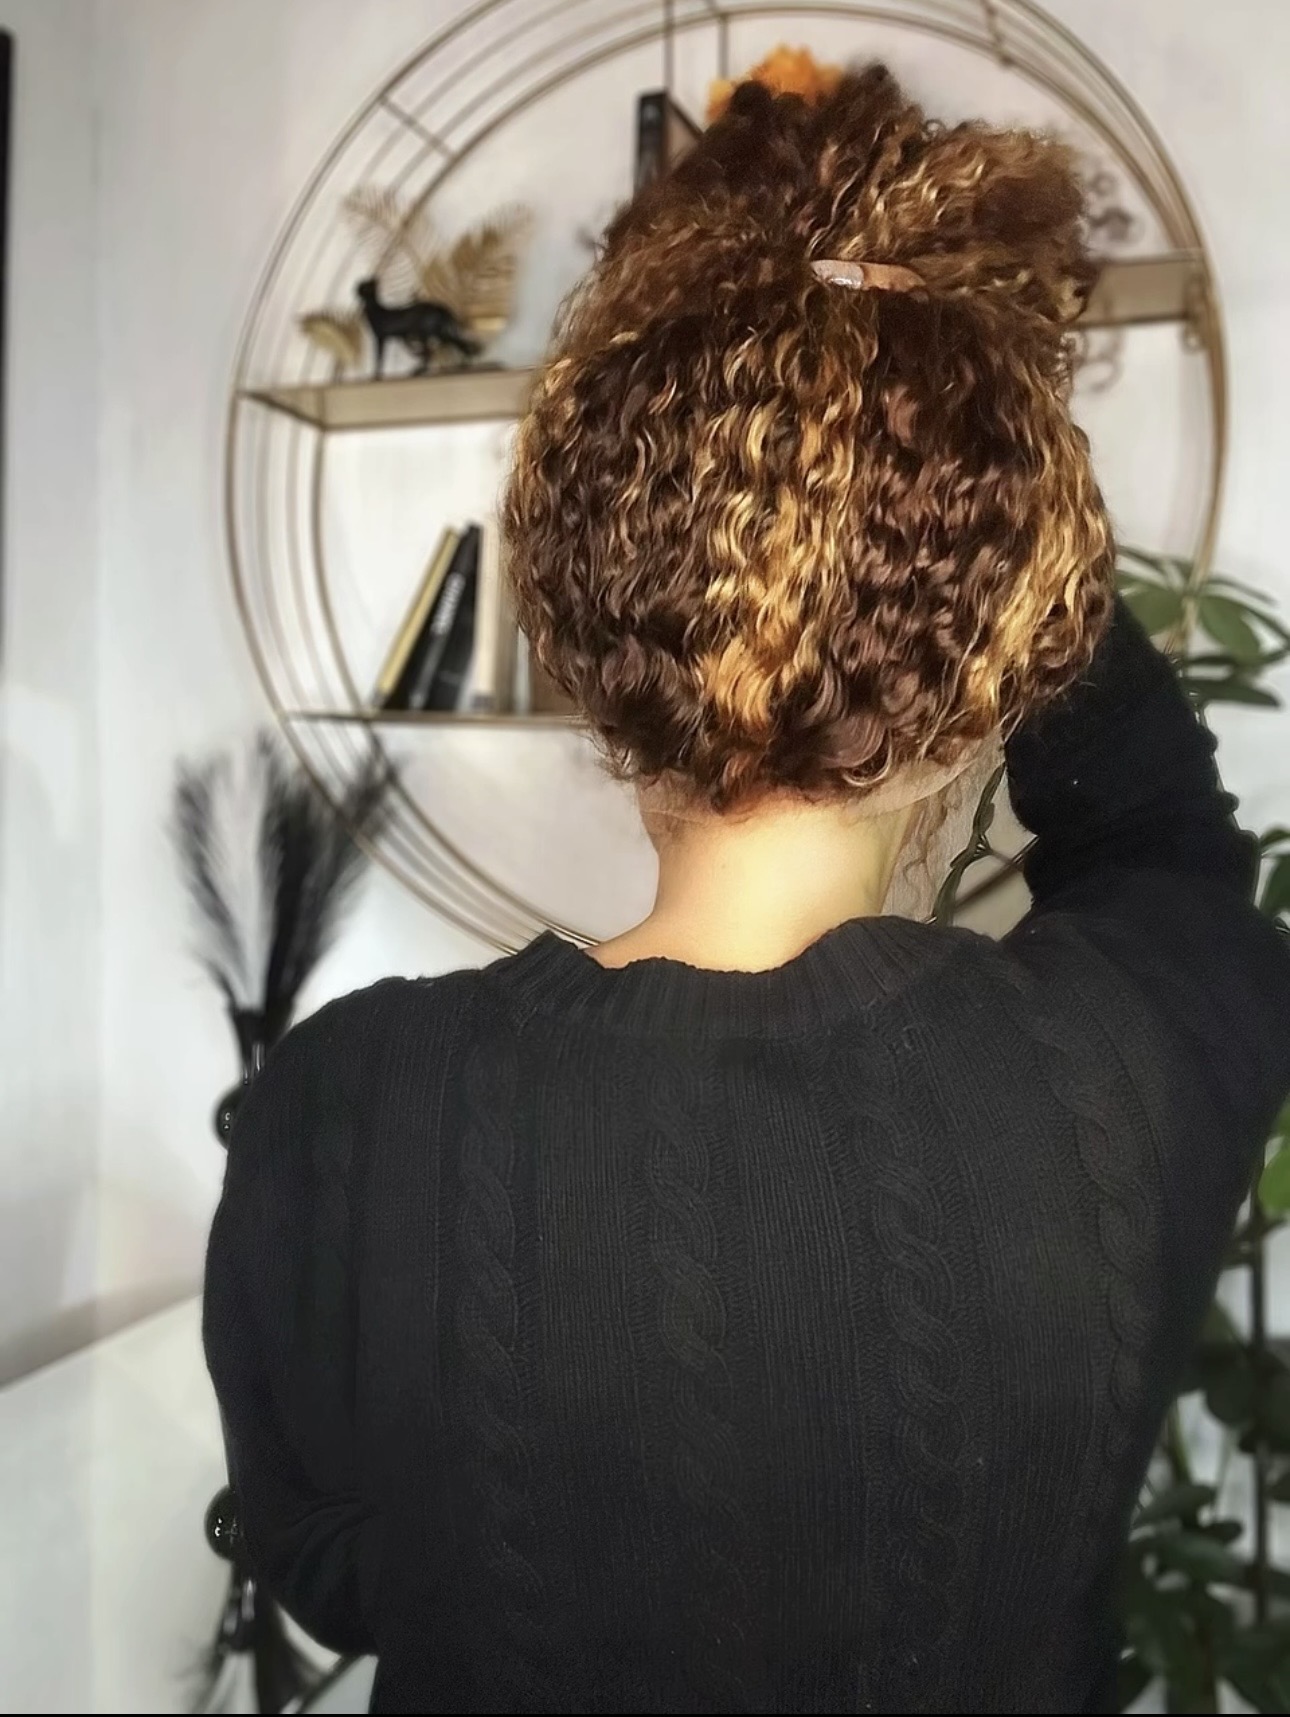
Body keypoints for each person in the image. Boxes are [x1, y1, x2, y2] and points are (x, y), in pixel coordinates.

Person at [204, 67, 1290, 1715]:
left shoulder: (340, 1109)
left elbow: (330, 1561)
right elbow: (1165, 833)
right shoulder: (1136, 1063)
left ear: (586, 649)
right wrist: (962, 467)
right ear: (1002, 667)